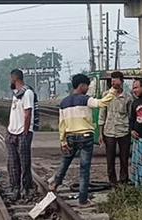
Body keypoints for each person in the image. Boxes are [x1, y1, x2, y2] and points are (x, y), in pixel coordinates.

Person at [50, 73, 117, 205]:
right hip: (85, 137)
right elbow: (102, 103)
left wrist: (63, 141)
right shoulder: (86, 99)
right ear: (81, 86)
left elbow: (61, 124)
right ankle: (82, 199)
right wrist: (113, 90)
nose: (87, 89)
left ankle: (54, 184)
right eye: (87, 86)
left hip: (69, 137)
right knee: (84, 168)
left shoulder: (64, 103)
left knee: (65, 163)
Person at [97, 71, 133, 186]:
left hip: (124, 131)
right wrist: (101, 133)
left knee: (124, 158)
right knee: (110, 158)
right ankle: (112, 181)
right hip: (109, 132)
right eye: (112, 80)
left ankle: (124, 180)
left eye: (116, 79)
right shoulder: (106, 95)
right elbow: (102, 115)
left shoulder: (128, 97)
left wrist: (131, 130)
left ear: (121, 81)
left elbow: (130, 115)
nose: (113, 82)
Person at [6, 68, 35, 200]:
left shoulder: (27, 93)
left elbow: (27, 113)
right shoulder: (16, 94)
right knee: (12, 163)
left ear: (15, 79)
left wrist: (25, 131)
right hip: (12, 133)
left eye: (10, 78)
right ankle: (15, 188)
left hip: (22, 133)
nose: (10, 81)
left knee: (24, 162)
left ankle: (26, 188)